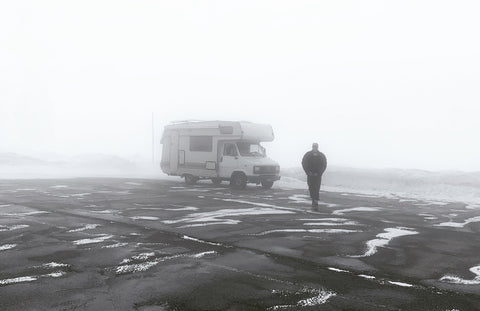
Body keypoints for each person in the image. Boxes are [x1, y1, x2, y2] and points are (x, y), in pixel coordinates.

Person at [302, 143, 327, 208]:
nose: (315, 148)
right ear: (312, 147)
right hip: (310, 175)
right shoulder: (308, 154)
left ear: (317, 147)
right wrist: (308, 172)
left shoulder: (321, 155)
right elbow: (304, 163)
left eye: (316, 147)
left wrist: (319, 173)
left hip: (318, 175)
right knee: (311, 187)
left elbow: (324, 164)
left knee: (316, 188)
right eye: (314, 147)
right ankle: (313, 199)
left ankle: (315, 201)